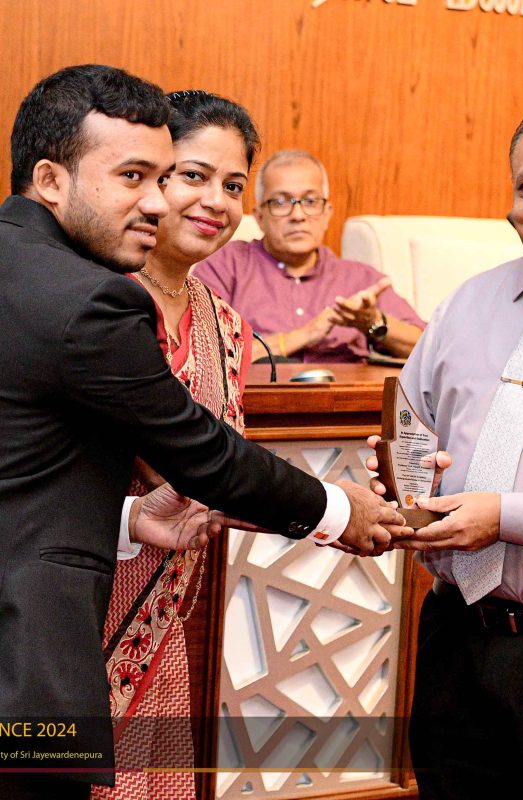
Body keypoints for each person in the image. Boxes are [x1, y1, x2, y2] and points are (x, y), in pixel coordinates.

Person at [0, 65, 405, 800]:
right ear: (53, 179)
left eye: (232, 183)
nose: (168, 201)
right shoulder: (92, 298)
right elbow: (206, 457)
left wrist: (131, 520)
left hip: (148, 613)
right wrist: (338, 510)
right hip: (48, 645)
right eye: (149, 176)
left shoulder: (210, 319)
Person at [368, 94, 523, 799]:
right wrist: (397, 483)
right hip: (453, 638)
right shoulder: (466, 304)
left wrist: (505, 516)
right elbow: (412, 431)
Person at [91, 89, 261, 800]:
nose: (215, 201)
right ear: (150, 178)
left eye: (234, 185)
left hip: (159, 631)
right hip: (72, 625)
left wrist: (335, 511)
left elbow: (223, 474)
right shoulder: (89, 299)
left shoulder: (227, 324)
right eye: (194, 175)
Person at [193, 149, 425, 362]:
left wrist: (374, 322)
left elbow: (427, 349)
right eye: (281, 202)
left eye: (311, 201)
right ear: (260, 217)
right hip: (259, 395)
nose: (298, 215)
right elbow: (202, 354)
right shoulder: (226, 266)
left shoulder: (359, 279)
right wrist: (306, 334)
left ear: (326, 214)